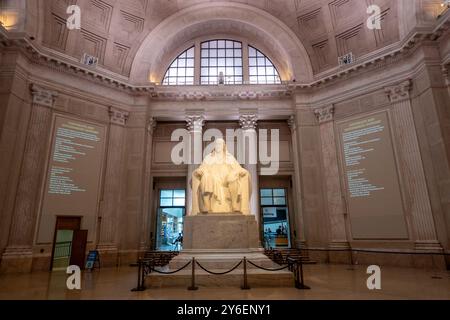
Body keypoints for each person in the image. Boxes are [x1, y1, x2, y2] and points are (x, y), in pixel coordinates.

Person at [192, 138, 251, 215]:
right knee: (206, 177)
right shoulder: (208, 157)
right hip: (212, 179)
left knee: (233, 177)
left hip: (227, 180)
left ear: (223, 146)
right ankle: (206, 205)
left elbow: (238, 168)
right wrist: (199, 171)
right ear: (214, 146)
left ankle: (235, 205)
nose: (218, 146)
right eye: (216, 144)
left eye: (220, 144)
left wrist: (241, 171)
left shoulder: (229, 157)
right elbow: (202, 168)